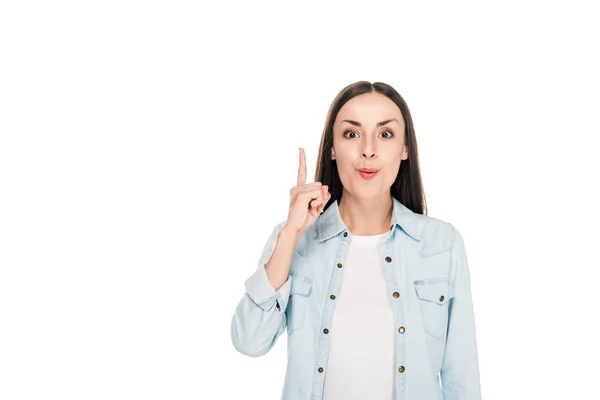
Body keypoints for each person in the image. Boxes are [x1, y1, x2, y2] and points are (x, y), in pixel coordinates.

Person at [230, 81, 481, 400]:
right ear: (332, 148)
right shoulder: (293, 239)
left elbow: (462, 381)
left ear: (405, 148)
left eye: (385, 134)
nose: (368, 150)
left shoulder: (442, 244)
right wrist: (291, 233)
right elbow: (249, 340)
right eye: (352, 133)